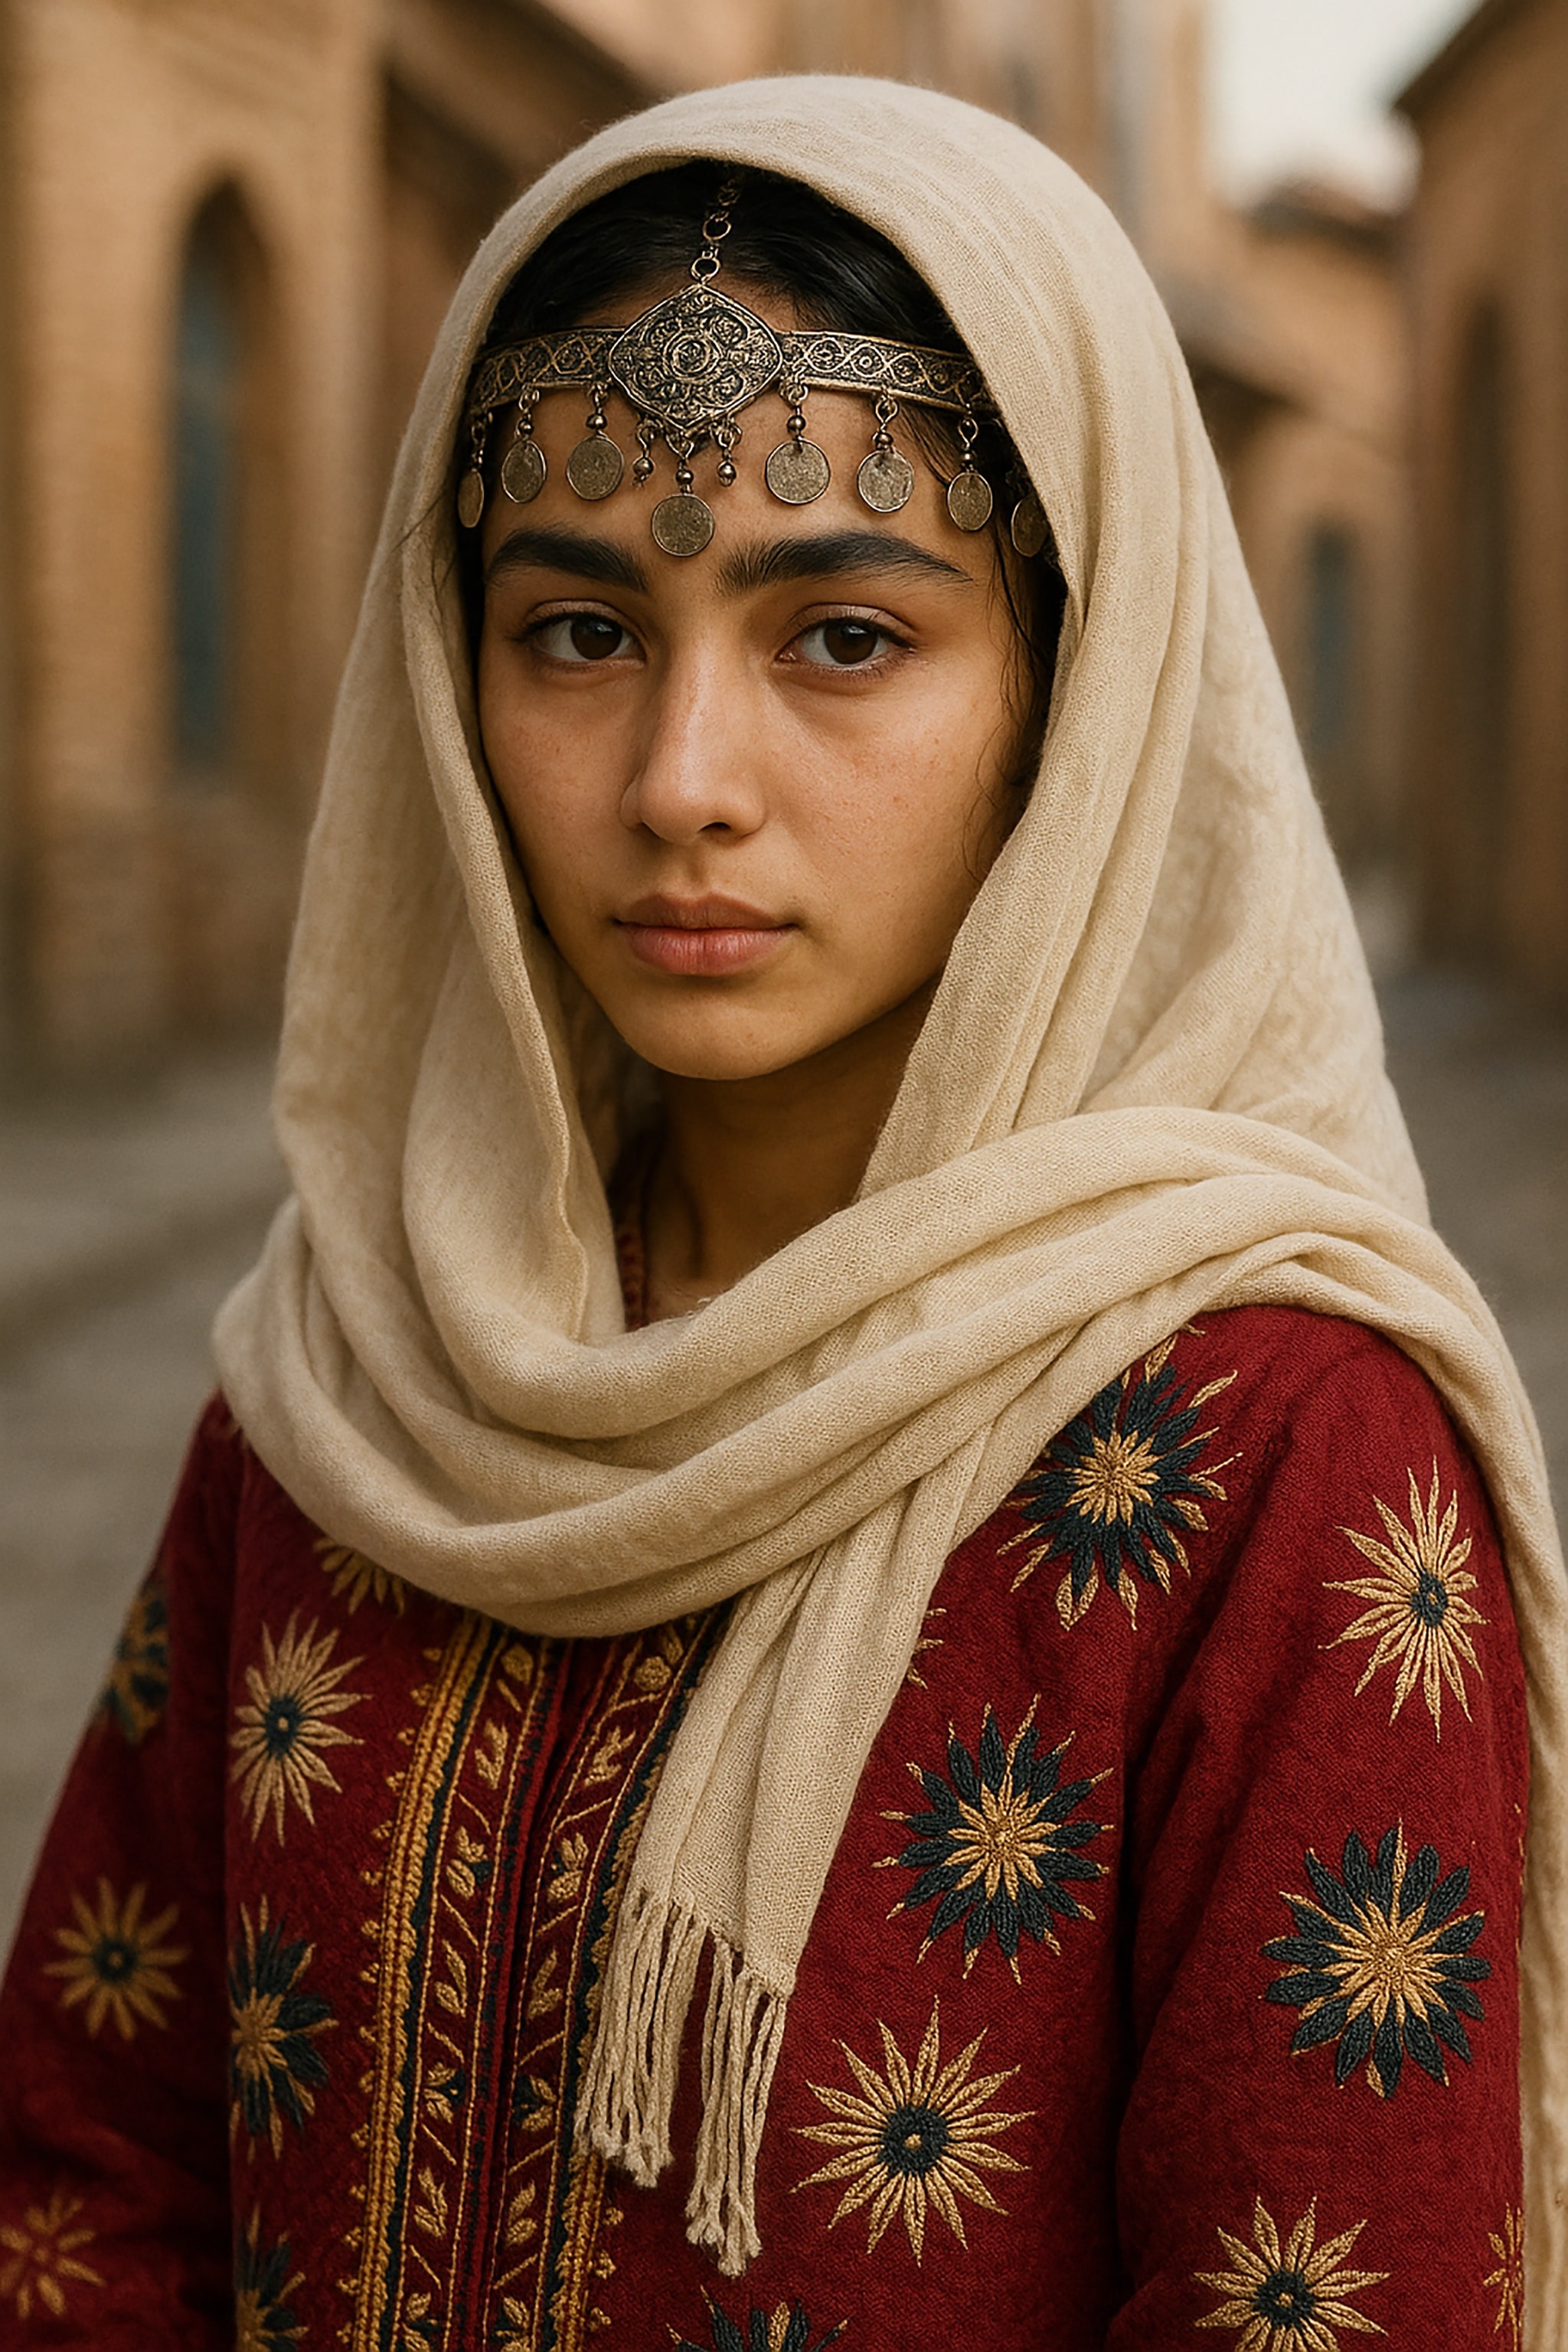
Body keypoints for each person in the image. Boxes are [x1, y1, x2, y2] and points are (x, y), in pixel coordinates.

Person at [0, 77, 1563, 2352]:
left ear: (1069, 694)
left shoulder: (1284, 1470)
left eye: (844, 636)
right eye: (575, 632)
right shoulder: (354, 1383)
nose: (681, 785)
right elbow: (93, 2178)